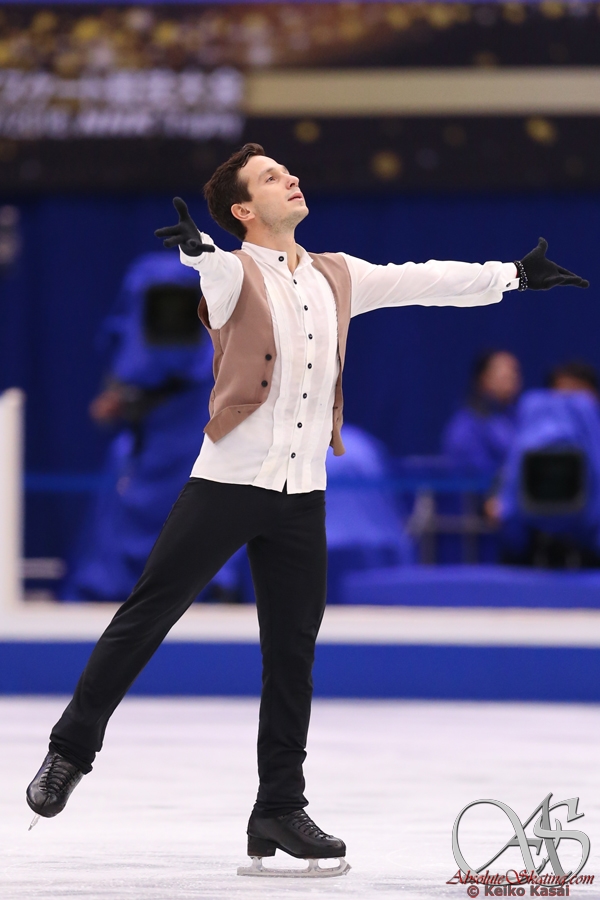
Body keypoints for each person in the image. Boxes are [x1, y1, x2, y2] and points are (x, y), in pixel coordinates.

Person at [25, 142, 589, 877]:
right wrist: (198, 250)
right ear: (243, 210)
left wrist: (512, 275)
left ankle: (278, 806)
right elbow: (214, 273)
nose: (290, 178)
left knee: (292, 654)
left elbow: (424, 279)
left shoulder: (337, 275)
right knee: (147, 615)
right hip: (226, 485)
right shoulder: (233, 272)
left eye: (288, 171)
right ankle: (69, 752)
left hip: (302, 495)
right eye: (271, 177)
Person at [61, 252, 244, 605]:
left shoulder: (214, 346)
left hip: (196, 455)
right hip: (156, 459)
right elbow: (111, 402)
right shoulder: (145, 338)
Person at [442, 350, 522, 475]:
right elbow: (470, 476)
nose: (513, 381)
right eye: (505, 376)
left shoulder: (519, 418)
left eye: (515, 374)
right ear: (483, 378)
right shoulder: (465, 427)